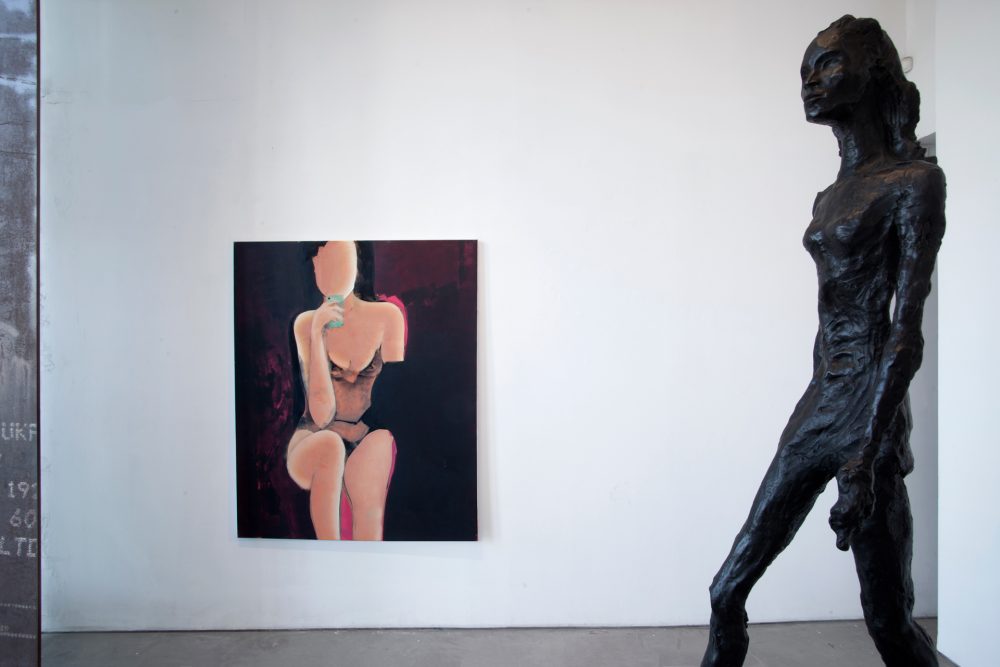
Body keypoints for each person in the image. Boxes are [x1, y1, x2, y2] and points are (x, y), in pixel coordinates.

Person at [702, 16, 945, 667]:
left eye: (828, 64)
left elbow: (906, 331)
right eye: (806, 69)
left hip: (871, 409)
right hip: (822, 399)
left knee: (889, 622)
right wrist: (822, 409)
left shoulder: (914, 184)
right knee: (726, 592)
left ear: (872, 72)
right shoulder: (829, 195)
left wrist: (869, 450)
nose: (810, 81)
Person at [286, 241, 406, 540]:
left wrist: (359, 431)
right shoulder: (305, 324)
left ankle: (368, 557)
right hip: (314, 438)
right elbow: (321, 414)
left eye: (343, 260)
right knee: (330, 445)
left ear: (358, 264)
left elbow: (399, 394)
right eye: (325, 262)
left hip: (364, 431)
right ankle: (329, 550)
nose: (335, 271)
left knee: (380, 443)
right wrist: (318, 335)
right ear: (314, 267)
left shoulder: (387, 316)